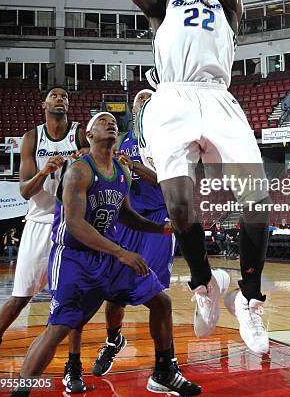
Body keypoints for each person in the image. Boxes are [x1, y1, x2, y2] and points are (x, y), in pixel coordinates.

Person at [84, 0, 270, 355]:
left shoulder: (231, 9)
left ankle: (250, 298)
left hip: (219, 98)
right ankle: (206, 285)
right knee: (180, 207)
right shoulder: (162, 9)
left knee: (257, 201)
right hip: (173, 97)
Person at [10, 112, 200, 397]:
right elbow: (74, 224)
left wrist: (158, 228)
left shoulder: (122, 171)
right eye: (102, 121)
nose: (110, 123)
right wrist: (122, 252)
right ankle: (20, 392)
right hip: (75, 257)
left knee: (161, 301)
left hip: (107, 258)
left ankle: (164, 371)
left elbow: (124, 214)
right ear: (89, 135)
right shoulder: (79, 170)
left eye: (113, 121)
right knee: (58, 328)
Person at [0, 87, 89, 386]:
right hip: (39, 221)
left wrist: (86, 157)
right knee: (20, 296)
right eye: (54, 95)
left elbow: (94, 165)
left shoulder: (79, 134)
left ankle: (73, 366)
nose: (60, 99)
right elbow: (24, 190)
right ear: (44, 104)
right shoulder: (32, 138)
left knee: (72, 299)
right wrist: (45, 171)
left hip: (71, 223)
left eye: (65, 96)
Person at [91, 90, 176, 378]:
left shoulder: (166, 140)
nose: (143, 104)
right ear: (133, 108)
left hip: (157, 220)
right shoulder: (123, 140)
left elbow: (169, 185)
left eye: (149, 100)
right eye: (139, 100)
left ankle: (166, 361)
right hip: (127, 220)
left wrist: (134, 165)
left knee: (158, 294)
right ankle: (113, 340)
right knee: (115, 294)